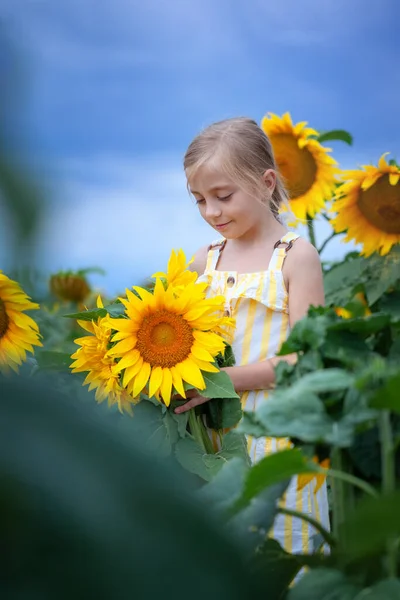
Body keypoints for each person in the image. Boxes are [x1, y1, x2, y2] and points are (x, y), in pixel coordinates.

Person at [174, 117, 330, 556]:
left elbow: (305, 363)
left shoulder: (296, 258)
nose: (212, 212)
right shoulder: (204, 260)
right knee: (227, 556)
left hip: (281, 432)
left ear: (265, 183)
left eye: (223, 196)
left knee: (286, 551)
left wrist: (218, 382)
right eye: (200, 200)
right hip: (216, 438)